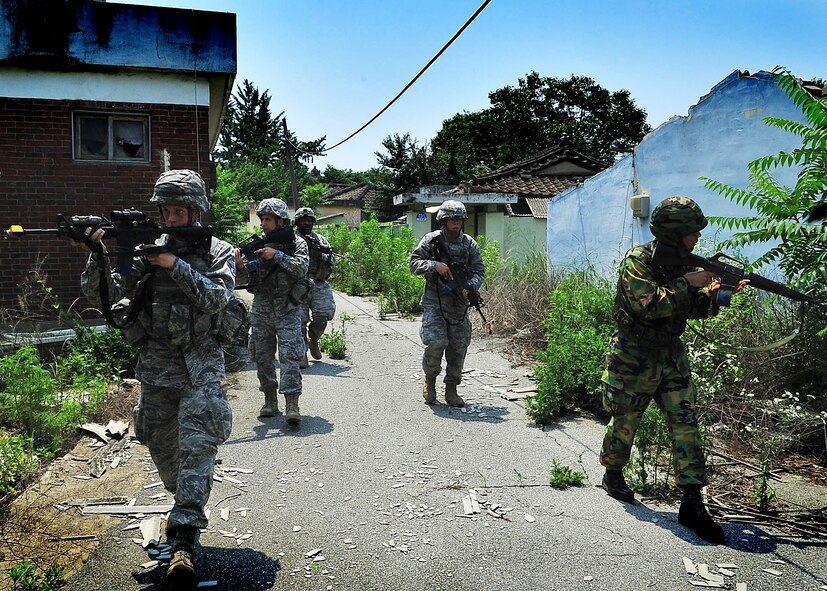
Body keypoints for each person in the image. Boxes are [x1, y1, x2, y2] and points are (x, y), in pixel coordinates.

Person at [79, 169, 235, 587]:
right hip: (157, 365)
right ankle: (182, 502)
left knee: (198, 445)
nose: (171, 218)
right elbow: (106, 299)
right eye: (165, 210)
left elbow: (218, 297)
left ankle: (184, 537)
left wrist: (174, 264)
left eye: (180, 210)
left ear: (197, 211)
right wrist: (98, 255)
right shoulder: (143, 252)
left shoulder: (217, 250)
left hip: (201, 365)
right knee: (164, 449)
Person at [599, 196, 747, 545]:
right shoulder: (638, 261)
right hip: (634, 355)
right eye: (692, 231)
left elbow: (695, 309)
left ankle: (693, 502)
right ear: (675, 232)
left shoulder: (685, 264)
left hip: (671, 355)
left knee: (686, 424)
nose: (697, 237)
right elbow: (649, 304)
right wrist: (689, 283)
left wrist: (718, 294)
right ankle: (613, 472)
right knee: (625, 419)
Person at [236, 198, 309, 424]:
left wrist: (276, 255)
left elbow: (301, 268)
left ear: (281, 221)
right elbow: (248, 280)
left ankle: (292, 403)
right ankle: (269, 400)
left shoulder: (297, 243)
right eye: (262, 219)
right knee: (262, 356)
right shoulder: (259, 244)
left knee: (289, 356)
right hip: (262, 307)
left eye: (268, 219)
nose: (263, 223)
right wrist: (241, 267)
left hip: (288, 307)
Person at [409, 200, 485, 407]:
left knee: (458, 347)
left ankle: (452, 388)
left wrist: (469, 287)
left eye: (459, 219)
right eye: (452, 218)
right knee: (436, 342)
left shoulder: (469, 243)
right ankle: (430, 380)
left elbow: (479, 270)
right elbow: (413, 263)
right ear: (443, 219)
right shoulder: (431, 240)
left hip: (458, 304)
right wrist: (435, 265)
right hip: (435, 302)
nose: (456, 223)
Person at [293, 207, 336, 367]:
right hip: (298, 284)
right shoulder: (291, 240)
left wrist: (321, 255)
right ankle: (301, 353)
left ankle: (314, 339)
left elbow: (333, 260)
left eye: (309, 220)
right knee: (299, 320)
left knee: (323, 316)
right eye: (303, 220)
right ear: (297, 222)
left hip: (319, 283)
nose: (306, 223)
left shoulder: (321, 239)